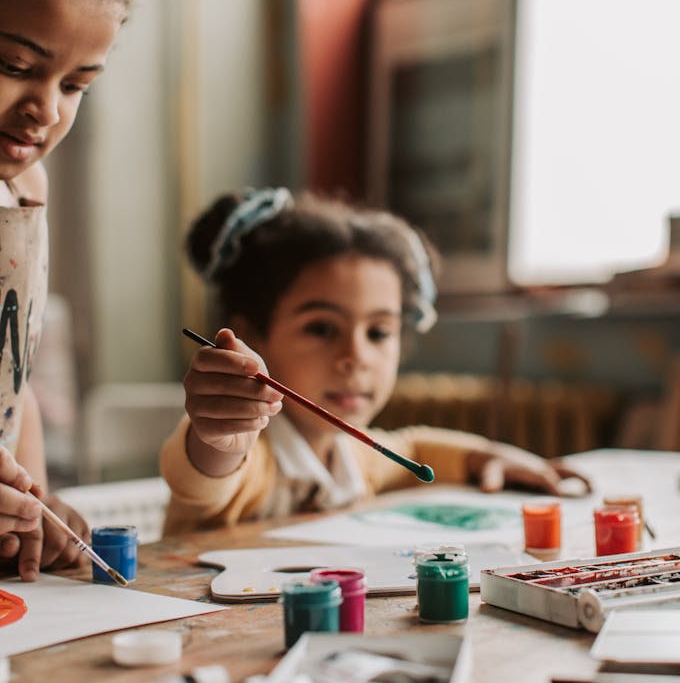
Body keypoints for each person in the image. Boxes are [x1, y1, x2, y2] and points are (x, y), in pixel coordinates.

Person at [161, 188, 591, 534]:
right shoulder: (251, 452)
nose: (356, 358)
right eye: (322, 329)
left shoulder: (353, 455)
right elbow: (209, 473)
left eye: (379, 332)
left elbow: (416, 447)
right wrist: (218, 434)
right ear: (250, 336)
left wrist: (489, 455)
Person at [0, 0, 184, 579]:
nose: (45, 109)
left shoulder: (25, 193)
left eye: (77, 84)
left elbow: (14, 384)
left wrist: (38, 506)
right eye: (14, 65)